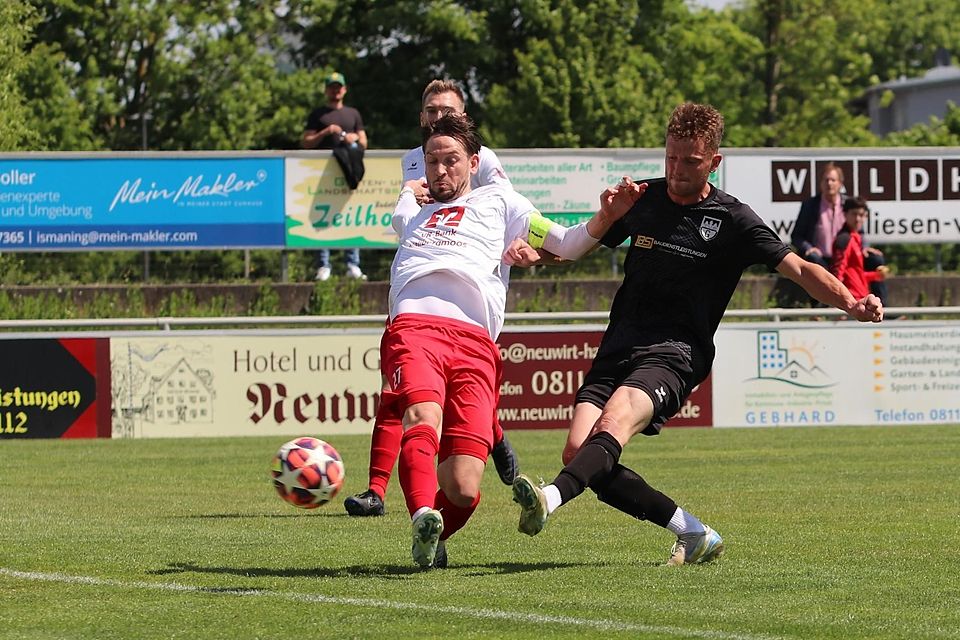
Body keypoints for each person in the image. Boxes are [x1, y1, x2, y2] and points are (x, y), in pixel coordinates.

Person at [511, 102, 884, 566]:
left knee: (614, 424)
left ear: (714, 162)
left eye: (690, 161)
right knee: (579, 454)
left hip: (675, 353)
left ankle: (546, 500)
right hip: (618, 344)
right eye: (671, 157)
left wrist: (850, 300)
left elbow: (801, 268)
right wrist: (534, 254)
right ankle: (693, 532)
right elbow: (578, 247)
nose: (677, 170)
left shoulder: (734, 220)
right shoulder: (641, 199)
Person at [384, 113, 640, 568]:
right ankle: (422, 512)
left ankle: (434, 534)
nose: (439, 171)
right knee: (422, 415)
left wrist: (608, 216)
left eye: (451, 161)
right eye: (431, 162)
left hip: (476, 344)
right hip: (415, 326)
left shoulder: (501, 203)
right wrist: (406, 191)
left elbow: (566, 242)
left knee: (464, 489)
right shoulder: (413, 213)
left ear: (474, 162)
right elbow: (402, 205)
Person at [343, 79, 518, 518]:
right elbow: (410, 218)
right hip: (420, 282)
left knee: (438, 406)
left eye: (446, 110)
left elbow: (505, 207)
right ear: (421, 117)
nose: (438, 117)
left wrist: (524, 248)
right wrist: (408, 197)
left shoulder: (485, 161)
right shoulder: (413, 159)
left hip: (470, 282)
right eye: (431, 110)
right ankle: (377, 491)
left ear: (463, 114)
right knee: (397, 394)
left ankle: (490, 431)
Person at [301, 71, 368, 281]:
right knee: (323, 216)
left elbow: (364, 142)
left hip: (347, 173)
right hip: (322, 175)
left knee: (349, 214)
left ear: (344, 89)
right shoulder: (318, 115)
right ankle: (323, 264)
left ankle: (352, 263)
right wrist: (326, 132)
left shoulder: (353, 113)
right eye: (331, 86)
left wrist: (353, 137)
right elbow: (306, 142)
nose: (335, 90)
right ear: (326, 90)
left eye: (338, 86)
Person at [791, 163, 887, 303]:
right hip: (822, 257)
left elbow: (859, 231)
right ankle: (818, 310)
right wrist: (808, 248)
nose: (829, 183)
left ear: (840, 183)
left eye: (833, 180)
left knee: (876, 260)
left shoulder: (848, 203)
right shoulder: (810, 205)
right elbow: (796, 236)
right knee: (814, 260)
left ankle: (882, 307)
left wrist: (864, 247)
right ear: (820, 183)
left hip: (846, 255)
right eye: (826, 180)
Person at [831, 196, 890, 299]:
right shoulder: (844, 239)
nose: (858, 219)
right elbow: (838, 273)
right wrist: (837, 301)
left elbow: (856, 276)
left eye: (861, 215)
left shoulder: (856, 239)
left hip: (860, 297)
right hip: (850, 301)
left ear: (866, 217)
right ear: (845, 214)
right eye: (854, 214)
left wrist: (875, 275)